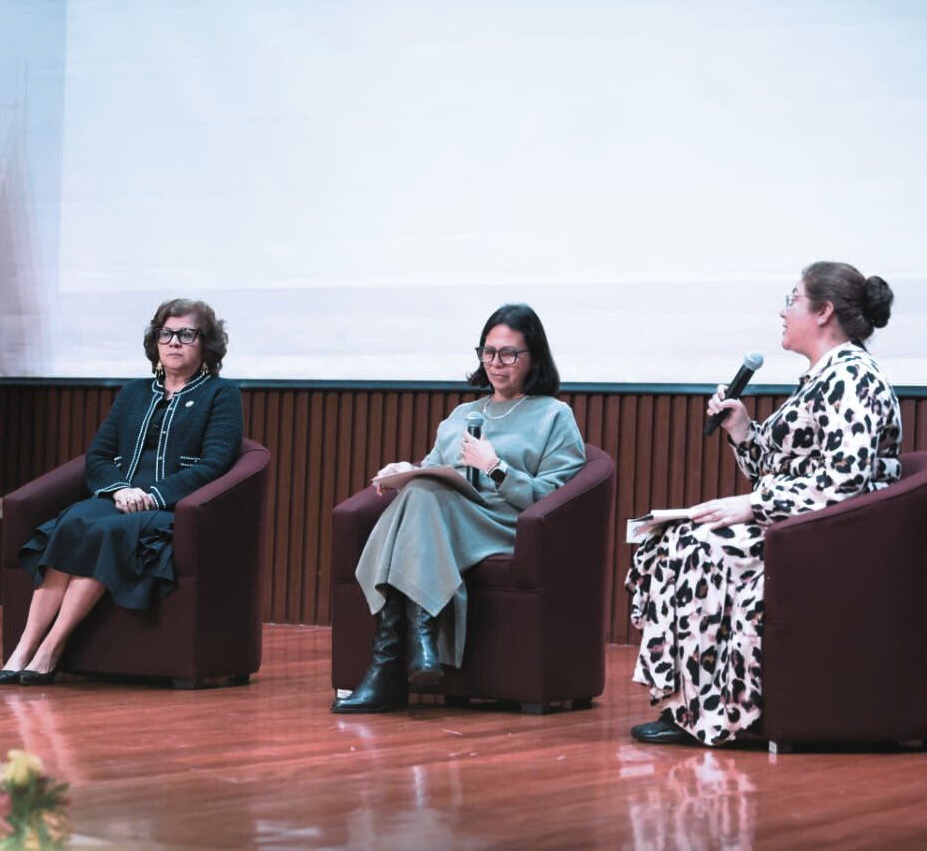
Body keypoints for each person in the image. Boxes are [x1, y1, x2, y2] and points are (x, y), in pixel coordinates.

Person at [626, 261, 901, 746]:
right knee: (674, 539)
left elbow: (844, 483)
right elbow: (777, 469)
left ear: (823, 312)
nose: (783, 311)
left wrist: (754, 506)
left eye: (792, 299)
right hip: (798, 526)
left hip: (835, 539)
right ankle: (687, 704)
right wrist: (741, 429)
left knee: (699, 546)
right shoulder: (822, 377)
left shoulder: (853, 378)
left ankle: (715, 712)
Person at [332, 303, 586, 713]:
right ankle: (415, 647)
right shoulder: (461, 414)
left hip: (503, 522)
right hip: (445, 519)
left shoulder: (554, 415)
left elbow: (552, 498)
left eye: (509, 354)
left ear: (533, 357)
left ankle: (392, 662)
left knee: (421, 500)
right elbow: (435, 469)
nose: (496, 363)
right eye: (488, 352)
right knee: (418, 492)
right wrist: (405, 471)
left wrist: (497, 467)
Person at [0, 298, 243, 686]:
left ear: (206, 344)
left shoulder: (221, 393)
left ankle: (51, 649)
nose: (174, 342)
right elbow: (98, 455)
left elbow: (215, 464)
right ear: (155, 341)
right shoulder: (134, 392)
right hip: (119, 498)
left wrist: (153, 494)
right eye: (166, 333)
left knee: (109, 532)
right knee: (74, 521)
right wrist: (120, 490)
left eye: (186, 334)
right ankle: (24, 648)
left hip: (168, 507)